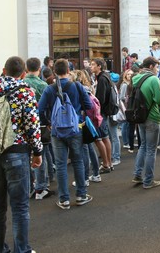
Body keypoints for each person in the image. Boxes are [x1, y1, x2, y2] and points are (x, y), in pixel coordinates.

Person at [0, 56, 43, 253]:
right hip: (17, 151)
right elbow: (32, 125)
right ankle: (22, 249)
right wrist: (37, 151)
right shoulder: (25, 92)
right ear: (23, 73)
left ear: (3, 70)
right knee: (20, 207)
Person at [38, 59, 93, 210]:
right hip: (75, 128)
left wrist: (48, 122)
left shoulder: (49, 89)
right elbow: (88, 105)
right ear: (69, 71)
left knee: (61, 164)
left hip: (57, 131)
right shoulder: (76, 86)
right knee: (78, 161)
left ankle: (64, 199)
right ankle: (81, 195)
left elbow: (40, 109)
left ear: (54, 71)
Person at [25, 57, 55, 200]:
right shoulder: (43, 85)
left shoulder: (21, 84)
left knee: (28, 156)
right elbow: (48, 107)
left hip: (22, 126)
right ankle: (41, 186)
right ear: (39, 69)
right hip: (40, 124)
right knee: (41, 154)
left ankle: (31, 185)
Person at [131, 56, 160, 189]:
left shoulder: (135, 78)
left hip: (140, 116)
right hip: (152, 116)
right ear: (150, 66)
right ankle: (148, 180)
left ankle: (137, 174)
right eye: (156, 67)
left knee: (143, 146)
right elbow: (158, 99)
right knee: (151, 149)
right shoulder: (153, 79)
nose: (157, 69)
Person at [91, 57, 119, 170]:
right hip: (105, 111)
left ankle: (107, 163)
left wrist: (93, 96)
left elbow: (100, 99)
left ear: (99, 66)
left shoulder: (102, 78)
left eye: (93, 64)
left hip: (102, 112)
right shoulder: (104, 77)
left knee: (102, 137)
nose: (91, 66)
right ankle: (109, 163)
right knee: (105, 137)